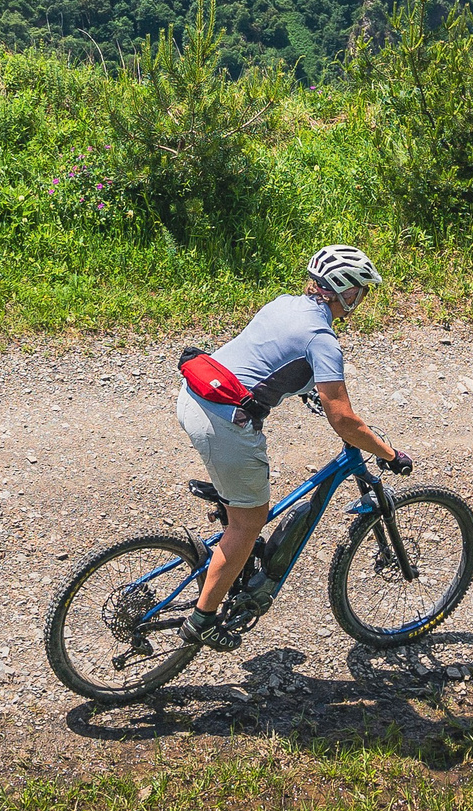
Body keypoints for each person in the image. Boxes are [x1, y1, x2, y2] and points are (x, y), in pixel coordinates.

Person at [172, 245, 409, 648]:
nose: (362, 299)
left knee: (243, 507)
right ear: (348, 292)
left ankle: (234, 553)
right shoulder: (322, 339)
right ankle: (202, 621)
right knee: (249, 522)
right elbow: (344, 420)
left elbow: (270, 358)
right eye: (362, 291)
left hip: (194, 397)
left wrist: (306, 390)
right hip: (223, 423)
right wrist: (389, 453)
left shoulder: (284, 304)